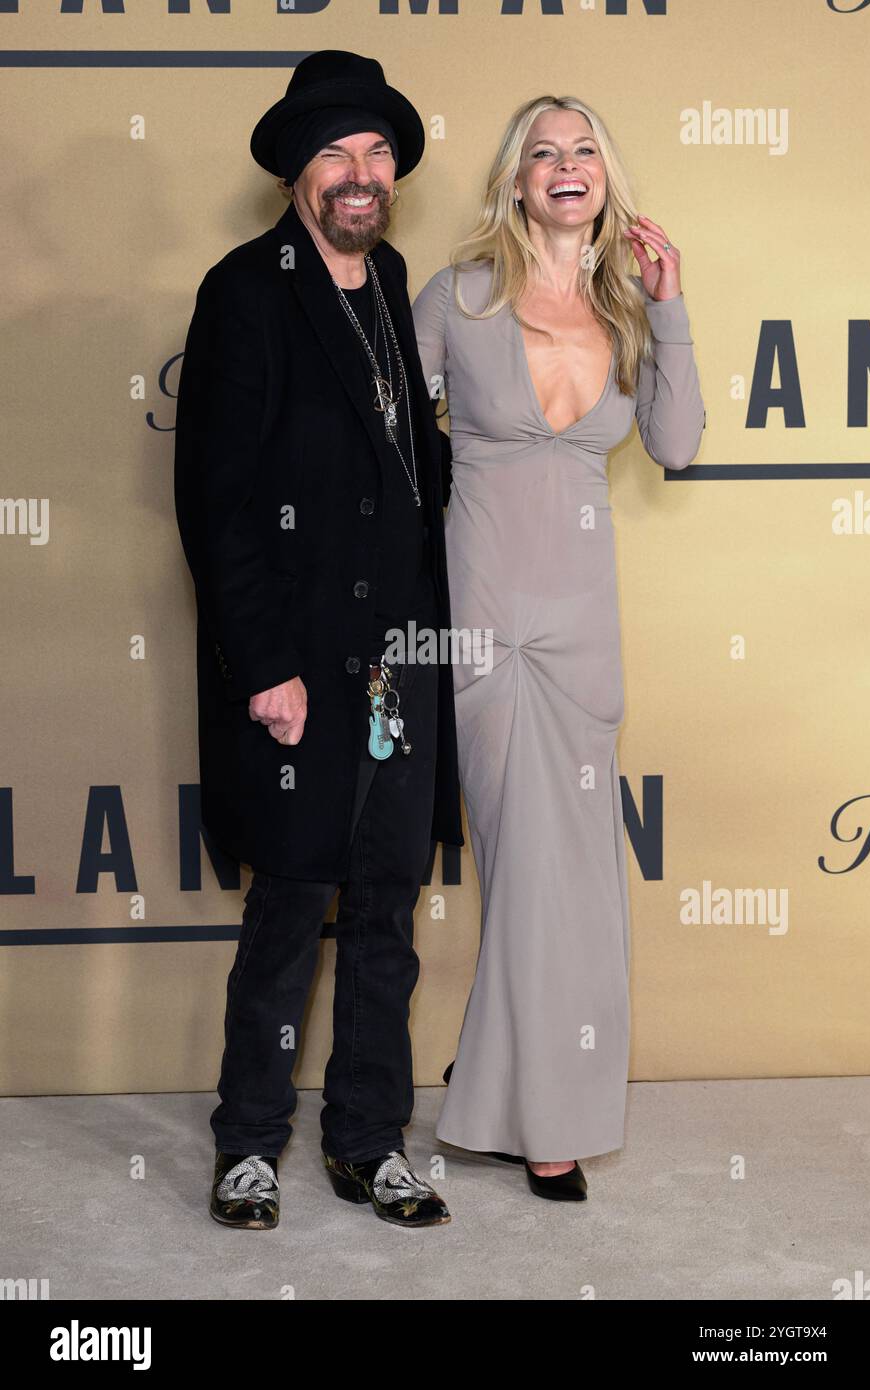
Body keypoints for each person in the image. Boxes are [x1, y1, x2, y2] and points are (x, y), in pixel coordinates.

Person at [173, 49, 464, 1231]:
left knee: (387, 908)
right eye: (335, 152)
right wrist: (267, 666)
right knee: (291, 908)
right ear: (297, 171)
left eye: (378, 152)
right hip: (299, 658)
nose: (360, 172)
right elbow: (217, 499)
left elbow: (409, 472)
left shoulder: (393, 278)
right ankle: (248, 1143)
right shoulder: (245, 290)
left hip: (401, 656)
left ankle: (367, 1140)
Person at [412, 95, 705, 1201]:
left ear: (604, 176)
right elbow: (383, 435)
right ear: (516, 181)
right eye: (543, 151)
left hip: (585, 629)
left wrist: (671, 307)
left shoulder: (631, 309)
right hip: (485, 619)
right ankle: (545, 1127)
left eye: (584, 148)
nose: (565, 164)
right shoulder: (460, 296)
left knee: (574, 879)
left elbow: (674, 444)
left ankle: (501, 1099)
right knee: (528, 872)